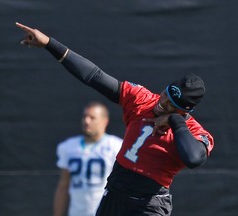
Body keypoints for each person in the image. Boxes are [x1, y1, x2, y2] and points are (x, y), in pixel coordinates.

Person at [15, 22, 214, 216]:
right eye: (165, 96)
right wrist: (50, 44)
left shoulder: (190, 131)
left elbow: (194, 158)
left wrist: (174, 121)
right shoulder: (143, 99)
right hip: (115, 195)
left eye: (172, 105)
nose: (163, 104)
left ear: (186, 111)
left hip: (148, 205)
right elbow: (94, 76)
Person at [53, 101, 122, 216]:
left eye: (92, 118)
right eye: (85, 117)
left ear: (105, 121)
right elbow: (63, 185)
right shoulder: (68, 147)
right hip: (77, 212)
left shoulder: (116, 146)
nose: (86, 121)